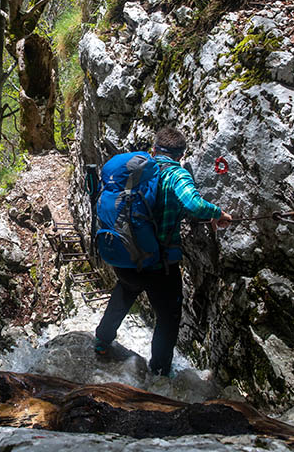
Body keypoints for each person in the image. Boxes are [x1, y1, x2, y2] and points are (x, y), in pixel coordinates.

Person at [94, 126, 232, 376]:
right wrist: (217, 213)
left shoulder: (138, 171)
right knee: (168, 317)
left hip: (126, 256)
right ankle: (158, 372)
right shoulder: (176, 174)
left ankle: (102, 342)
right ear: (181, 155)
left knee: (125, 291)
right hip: (160, 266)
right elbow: (193, 203)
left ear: (155, 148)